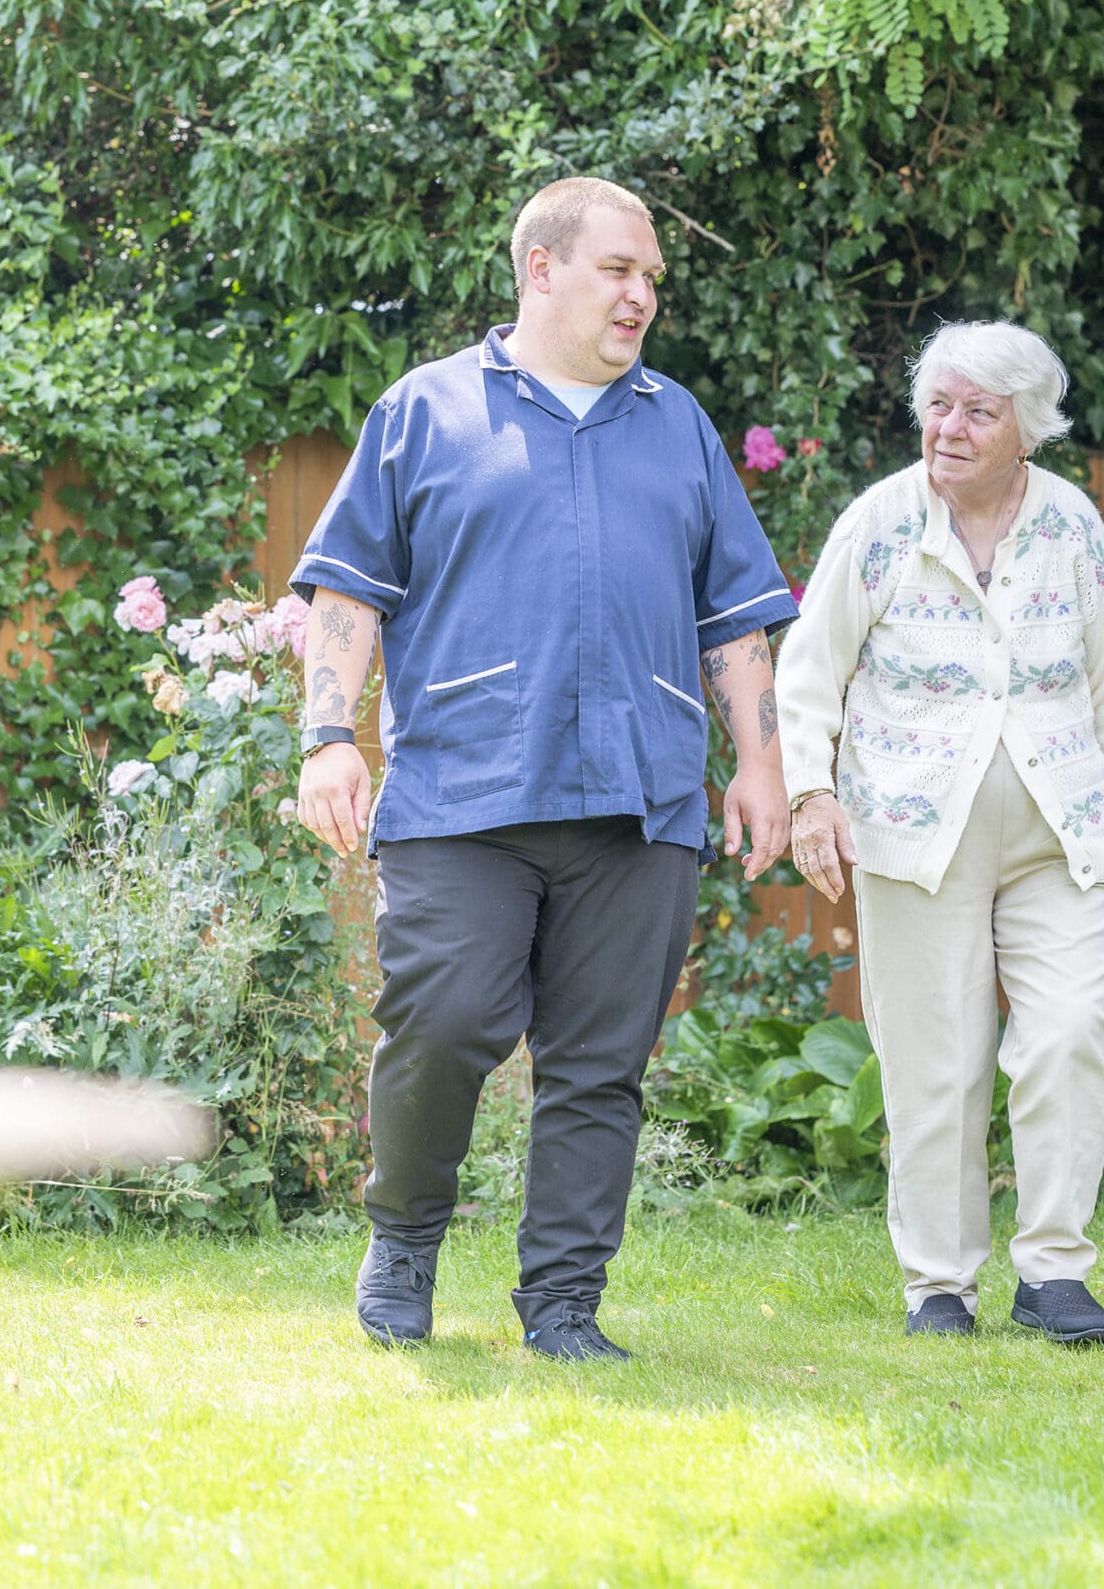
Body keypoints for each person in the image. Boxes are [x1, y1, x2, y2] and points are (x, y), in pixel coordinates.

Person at [291, 176, 797, 1361]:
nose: (643, 296)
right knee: (443, 1020)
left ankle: (562, 1306)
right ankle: (404, 1237)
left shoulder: (676, 424)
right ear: (541, 269)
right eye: (621, 270)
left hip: (642, 791)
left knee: (598, 1064)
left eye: (653, 278)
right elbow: (345, 590)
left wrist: (761, 764)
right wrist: (327, 738)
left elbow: (736, 617)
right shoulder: (424, 411)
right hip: (466, 789)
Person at [773, 320, 1104, 1344]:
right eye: (938, 405)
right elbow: (808, 670)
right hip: (915, 838)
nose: (948, 429)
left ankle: (1051, 1270)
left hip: (1062, 835)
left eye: (977, 411)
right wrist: (809, 795)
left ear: (1026, 429)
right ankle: (938, 1286)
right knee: (932, 1062)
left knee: (1069, 1037)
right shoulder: (879, 523)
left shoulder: (1072, 528)